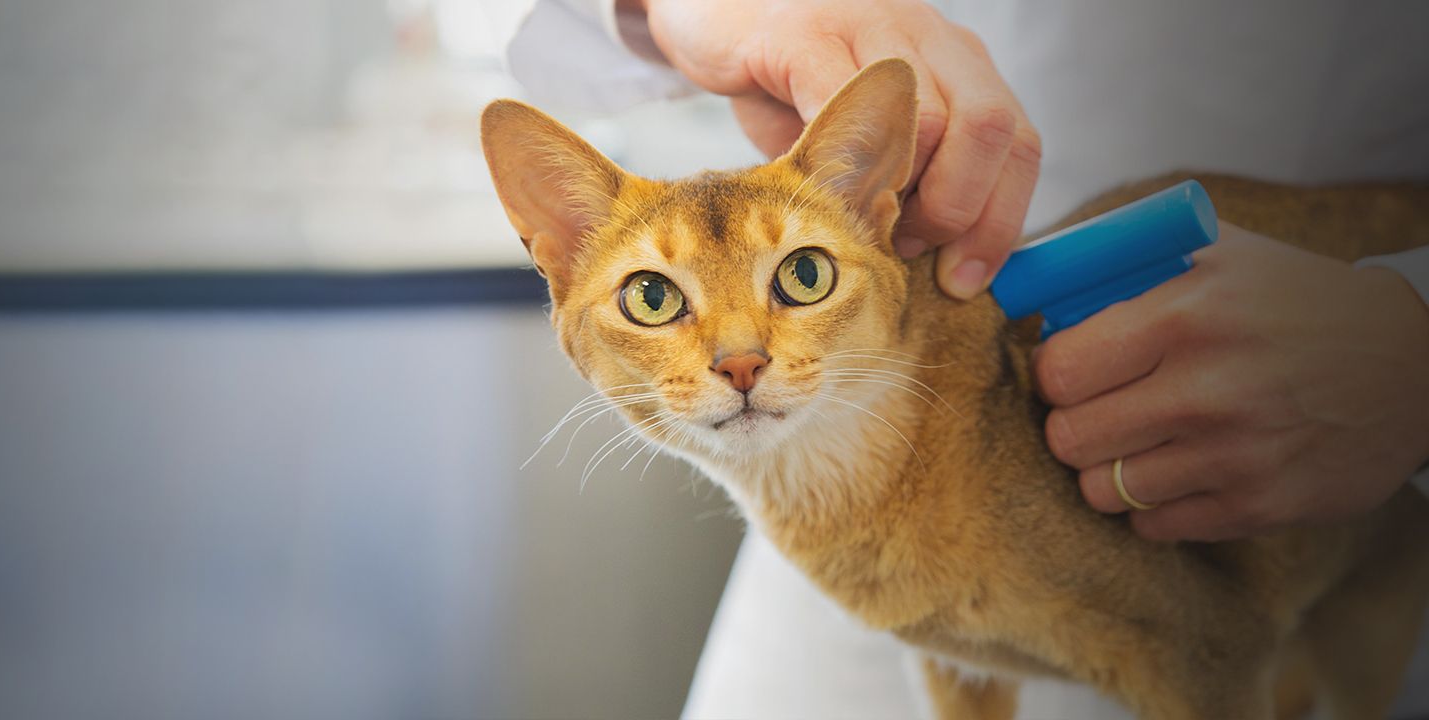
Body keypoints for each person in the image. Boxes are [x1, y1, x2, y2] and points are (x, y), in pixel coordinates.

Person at [504, 0, 1429, 716]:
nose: (738, 357)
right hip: (878, 360)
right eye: (655, 299)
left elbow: (1212, 644)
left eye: (798, 279)